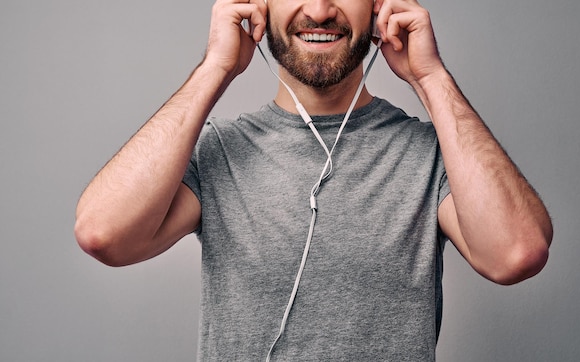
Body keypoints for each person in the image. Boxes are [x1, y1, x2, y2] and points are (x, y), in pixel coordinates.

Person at [75, 0, 553, 360]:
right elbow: (103, 233)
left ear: (378, 8)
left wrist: (431, 78)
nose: (321, 11)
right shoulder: (219, 152)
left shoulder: (433, 154)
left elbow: (515, 254)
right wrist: (214, 70)